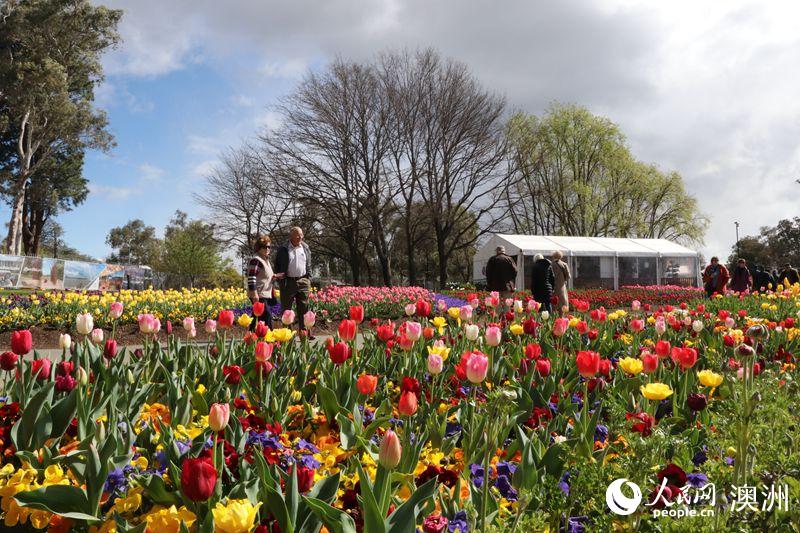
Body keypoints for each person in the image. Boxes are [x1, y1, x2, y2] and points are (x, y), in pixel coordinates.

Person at [274, 227, 312, 335]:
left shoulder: (305, 247)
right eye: (297, 235)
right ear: (291, 236)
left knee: (304, 308)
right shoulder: (283, 249)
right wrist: (280, 279)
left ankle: (304, 333)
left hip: (303, 281)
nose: (300, 237)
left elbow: (309, 263)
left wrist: (309, 278)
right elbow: (277, 264)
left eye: (301, 234)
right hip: (288, 282)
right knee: (287, 310)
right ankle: (287, 334)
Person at [246, 235, 278, 329]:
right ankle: (270, 339)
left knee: (257, 316)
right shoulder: (256, 260)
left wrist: (274, 276)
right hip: (259, 294)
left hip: (265, 294)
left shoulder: (265, 259)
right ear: (259, 248)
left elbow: (265, 276)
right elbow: (251, 278)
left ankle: (250, 337)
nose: (268, 249)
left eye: (269, 247)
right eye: (265, 247)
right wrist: (254, 295)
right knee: (266, 315)